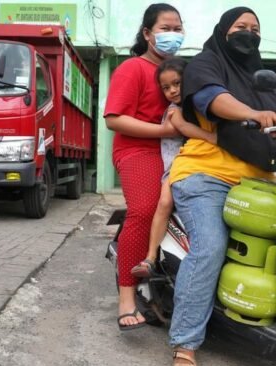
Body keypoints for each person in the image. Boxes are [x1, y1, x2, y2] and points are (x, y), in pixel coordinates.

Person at [166, 7, 276, 366]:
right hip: (206, 176)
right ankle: (184, 343)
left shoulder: (264, 78)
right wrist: (252, 112)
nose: (248, 34)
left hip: (258, 181)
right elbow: (212, 98)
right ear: (223, 31)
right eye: (240, 27)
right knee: (211, 246)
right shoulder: (206, 63)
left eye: (255, 29)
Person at [103, 3, 184, 331]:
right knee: (146, 208)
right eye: (166, 28)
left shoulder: (179, 73)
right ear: (148, 34)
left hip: (175, 149)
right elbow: (114, 120)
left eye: (178, 29)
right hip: (138, 149)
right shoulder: (132, 69)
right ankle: (126, 297)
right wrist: (164, 131)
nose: (173, 35)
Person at [131, 57, 216, 278]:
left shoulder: (200, 105)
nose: (172, 91)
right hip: (177, 166)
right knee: (165, 202)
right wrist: (212, 138)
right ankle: (150, 257)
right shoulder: (173, 111)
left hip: (201, 165)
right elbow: (182, 127)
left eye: (177, 83)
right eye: (166, 87)